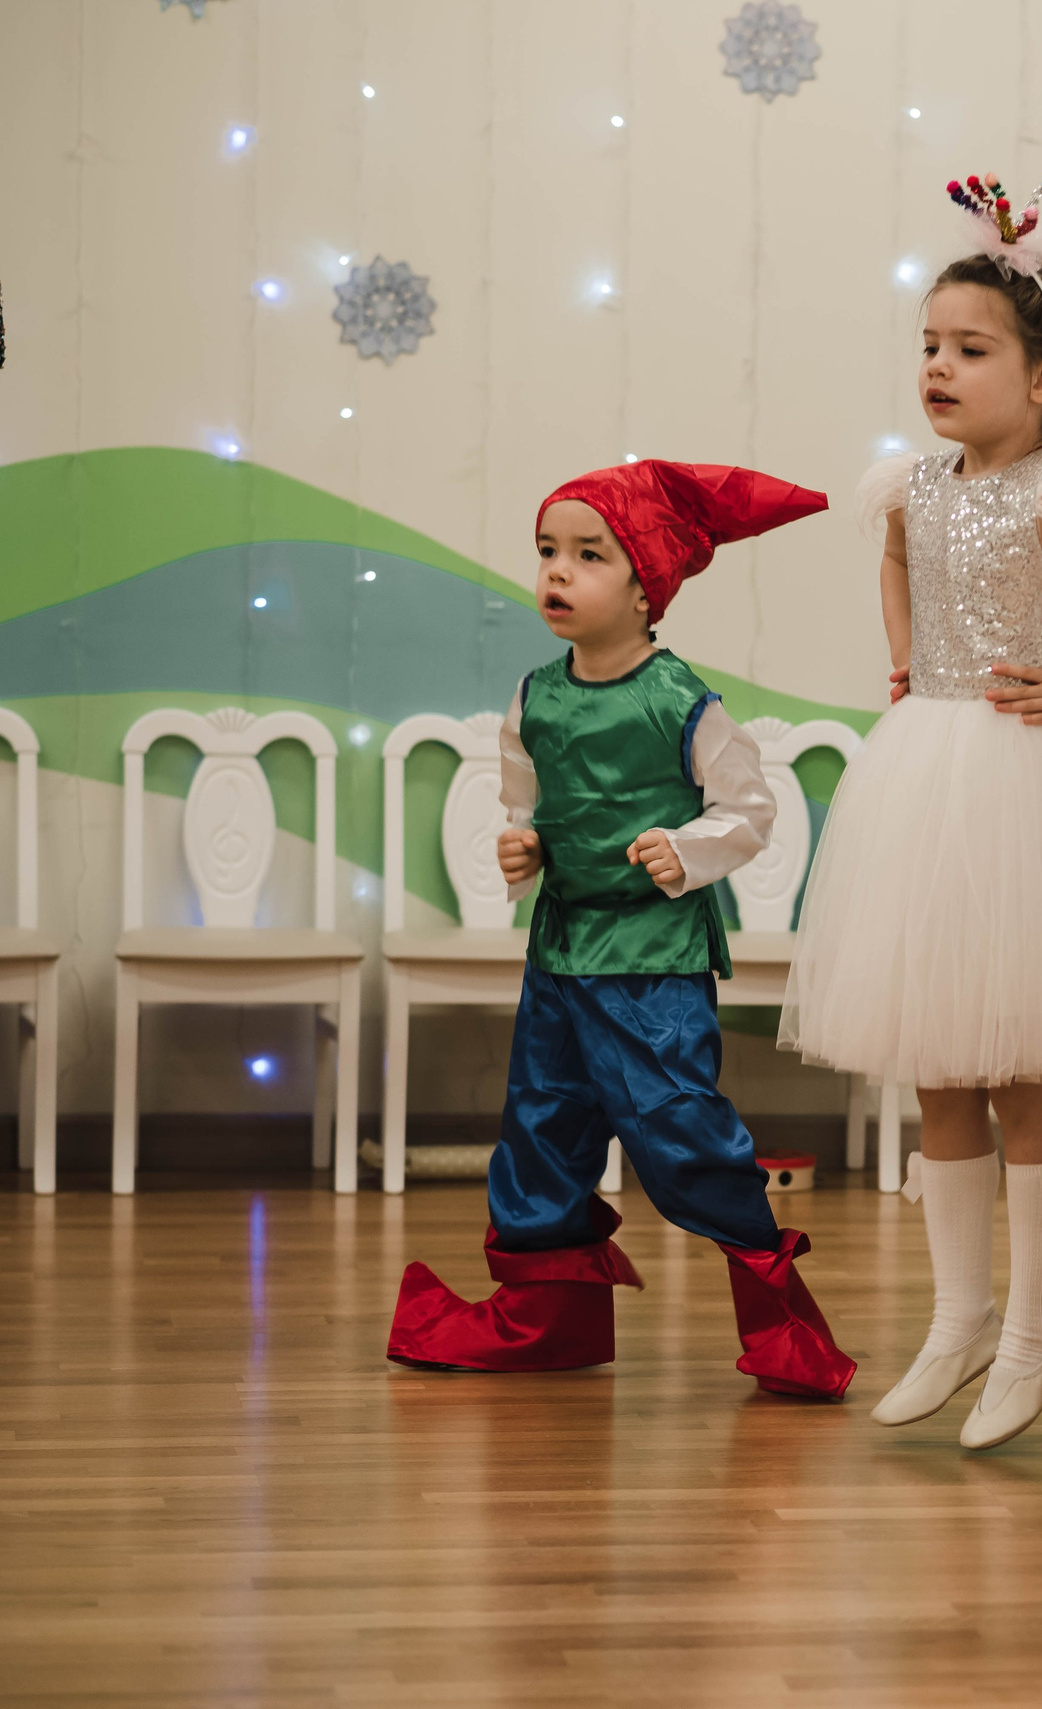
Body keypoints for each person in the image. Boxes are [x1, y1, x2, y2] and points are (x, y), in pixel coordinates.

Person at [781, 175, 1042, 1449]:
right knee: (939, 1060)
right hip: (925, 765)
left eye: (969, 349)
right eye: (928, 345)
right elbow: (895, 553)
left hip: (1022, 786)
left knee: (1016, 1060)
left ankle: (1041, 1330)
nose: (938, 366)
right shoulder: (912, 484)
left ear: (1041, 379)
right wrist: (904, 649)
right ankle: (961, 1315)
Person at [387, 459, 858, 1403]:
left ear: (647, 584)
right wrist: (525, 849)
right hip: (561, 955)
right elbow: (528, 799)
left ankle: (783, 1325)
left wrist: (690, 850)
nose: (557, 572)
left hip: (650, 966)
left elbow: (751, 808)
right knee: (540, 1133)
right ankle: (544, 1321)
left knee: (681, 1133)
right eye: (548, 552)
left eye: (588, 555)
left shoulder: (679, 700)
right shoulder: (537, 696)